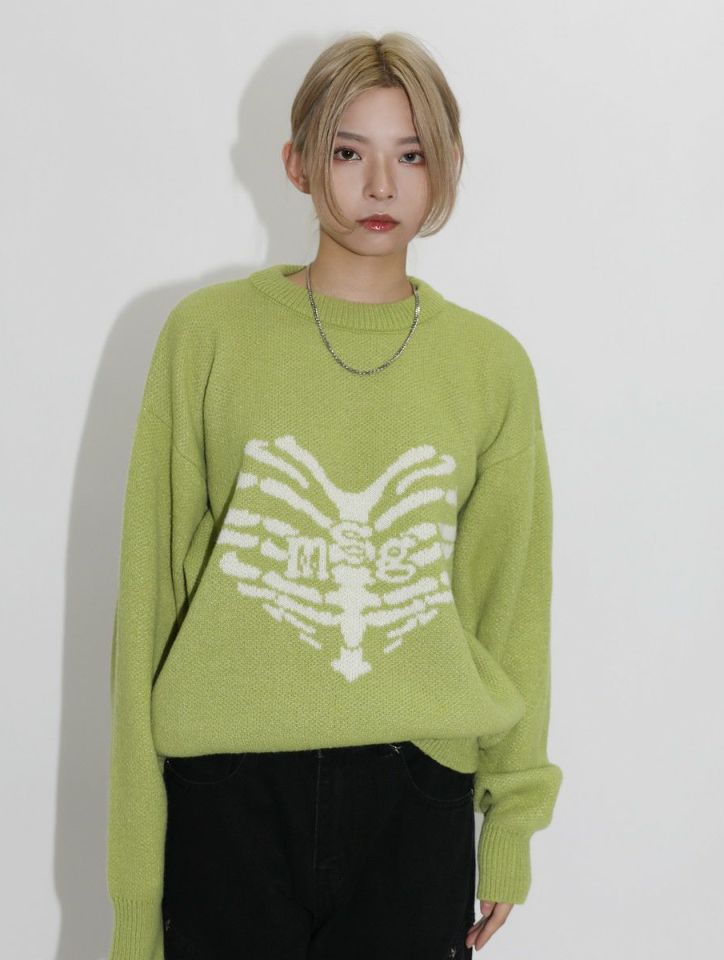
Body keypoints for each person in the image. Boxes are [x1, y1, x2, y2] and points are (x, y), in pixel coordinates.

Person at [106, 30, 563, 960]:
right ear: (298, 164)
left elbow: (509, 604)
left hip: (415, 797)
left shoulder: (490, 367)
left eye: (412, 155)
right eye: (350, 153)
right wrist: (134, 897)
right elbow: (149, 600)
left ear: (448, 167)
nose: (381, 186)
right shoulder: (208, 337)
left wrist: (511, 822)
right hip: (228, 792)